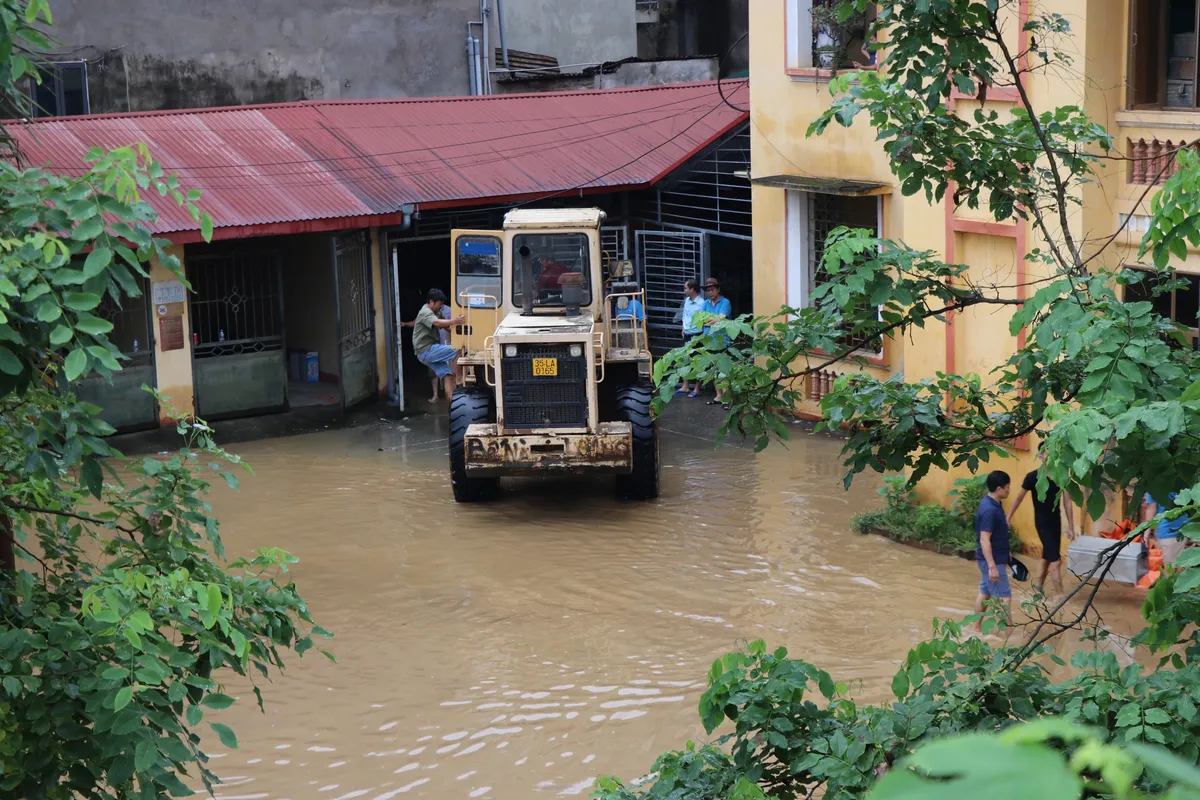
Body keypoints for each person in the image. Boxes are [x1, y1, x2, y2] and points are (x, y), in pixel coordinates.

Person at [1007, 450, 1076, 596]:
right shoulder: (1032, 477)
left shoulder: (1061, 476)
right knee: (1056, 561)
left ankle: (1036, 592)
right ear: (1040, 457)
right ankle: (1060, 596)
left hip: (1055, 522)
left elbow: (1067, 502)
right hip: (1042, 523)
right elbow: (1018, 498)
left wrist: (1071, 527)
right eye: (1046, 454)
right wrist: (1008, 517)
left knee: (1047, 557)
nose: (1049, 456)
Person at [404, 289, 464, 407]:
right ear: (431, 302)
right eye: (439, 303)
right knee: (458, 349)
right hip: (426, 350)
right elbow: (437, 323)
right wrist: (455, 320)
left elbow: (446, 326)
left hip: (427, 352)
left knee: (447, 376)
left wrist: (461, 335)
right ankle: (459, 379)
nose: (441, 306)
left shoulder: (436, 311)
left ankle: (452, 406)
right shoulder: (425, 312)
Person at [975, 470, 1013, 625]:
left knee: (985, 593)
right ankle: (1008, 637)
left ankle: (975, 627)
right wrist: (992, 567)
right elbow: (985, 540)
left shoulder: (995, 503)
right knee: (1005, 597)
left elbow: (998, 533)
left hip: (995, 557)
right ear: (999, 489)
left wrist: (1006, 552)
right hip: (991, 560)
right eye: (1007, 487)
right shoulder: (989, 510)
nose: (1009, 490)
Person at [701, 277, 733, 409]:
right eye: (708, 290)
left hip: (722, 341)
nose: (710, 292)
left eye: (712, 289)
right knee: (714, 369)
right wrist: (711, 320)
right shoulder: (706, 303)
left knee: (723, 369)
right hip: (709, 340)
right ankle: (718, 395)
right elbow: (701, 318)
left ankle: (726, 397)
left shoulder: (725, 302)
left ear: (718, 289)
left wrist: (710, 321)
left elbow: (722, 318)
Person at [1142, 490, 1190, 566]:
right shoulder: (1154, 483)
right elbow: (1151, 509)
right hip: (1169, 532)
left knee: (1184, 568)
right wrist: (1146, 535)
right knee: (1170, 569)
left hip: (1190, 529)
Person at [678, 279, 706, 398]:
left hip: (697, 334)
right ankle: (685, 386)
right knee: (685, 360)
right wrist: (683, 328)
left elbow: (704, 319)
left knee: (698, 361)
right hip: (687, 334)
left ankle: (697, 388)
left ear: (692, 289)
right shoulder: (687, 301)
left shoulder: (702, 303)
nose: (684, 290)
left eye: (686, 288)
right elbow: (685, 315)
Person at [428, 304, 453, 404]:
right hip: (432, 346)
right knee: (433, 373)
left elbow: (450, 327)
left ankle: (451, 397)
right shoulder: (426, 311)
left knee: (449, 373)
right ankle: (435, 395)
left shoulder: (449, 310)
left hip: (445, 345)